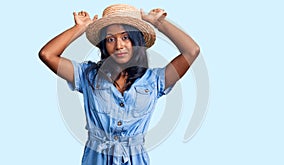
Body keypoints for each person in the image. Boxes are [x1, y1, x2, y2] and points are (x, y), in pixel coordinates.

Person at [39, 4, 200, 165]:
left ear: (136, 41)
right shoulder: (87, 75)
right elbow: (47, 54)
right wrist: (80, 28)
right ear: (104, 45)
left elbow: (192, 51)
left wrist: (159, 23)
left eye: (125, 37)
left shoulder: (155, 80)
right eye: (110, 39)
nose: (119, 45)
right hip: (96, 159)